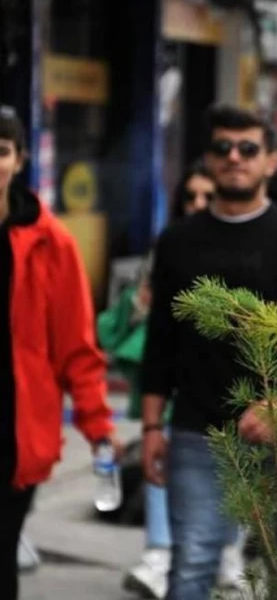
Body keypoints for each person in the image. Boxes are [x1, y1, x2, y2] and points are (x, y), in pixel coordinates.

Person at [141, 105, 277, 600]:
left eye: (248, 148)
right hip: (195, 430)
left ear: (271, 161)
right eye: (222, 147)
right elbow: (160, 341)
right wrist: (149, 428)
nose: (234, 157)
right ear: (206, 160)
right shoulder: (176, 241)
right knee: (191, 564)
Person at [0, 106, 121, 598]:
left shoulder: (53, 244)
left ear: (20, 159)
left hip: (15, 432)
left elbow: (77, 347)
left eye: (2, 150)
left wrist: (98, 428)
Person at [120, 161, 245, 599]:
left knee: (229, 485)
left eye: (206, 197)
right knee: (168, 471)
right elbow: (149, 329)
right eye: (189, 197)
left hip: (231, 398)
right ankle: (160, 553)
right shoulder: (170, 247)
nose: (197, 205)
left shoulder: (241, 248)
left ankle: (227, 554)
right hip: (176, 393)